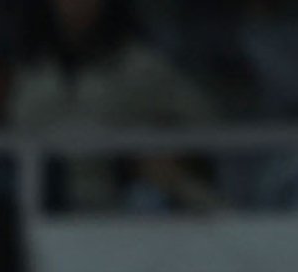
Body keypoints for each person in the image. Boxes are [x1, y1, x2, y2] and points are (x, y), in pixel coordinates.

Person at [11, 0, 217, 211]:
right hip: (34, 204)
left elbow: (204, 123)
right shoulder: (28, 68)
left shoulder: (138, 66)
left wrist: (165, 148)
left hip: (117, 208)